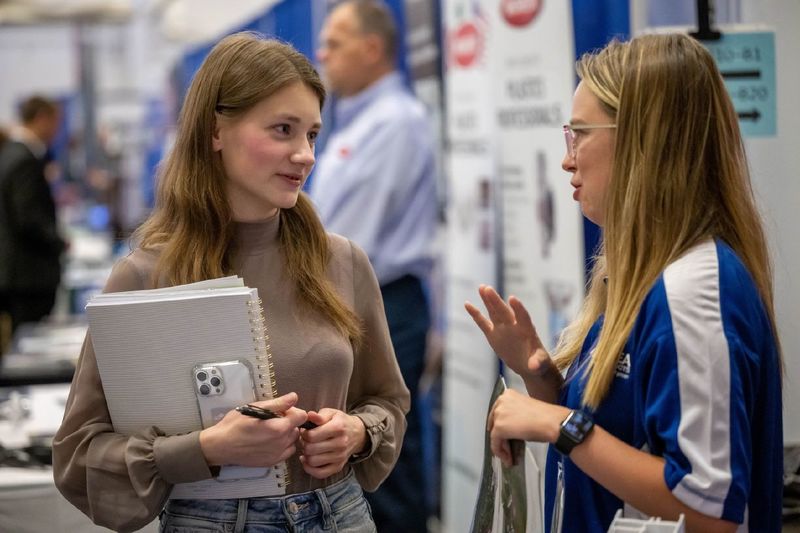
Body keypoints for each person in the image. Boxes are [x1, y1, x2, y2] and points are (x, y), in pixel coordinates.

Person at [52, 32, 409, 533]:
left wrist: (357, 432)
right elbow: (79, 455)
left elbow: (388, 401)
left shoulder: (342, 261)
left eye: (311, 134)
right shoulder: (145, 276)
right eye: (283, 130)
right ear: (216, 130)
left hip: (341, 514)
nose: (305, 154)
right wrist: (204, 450)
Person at [465, 33, 782, 532]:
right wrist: (545, 381)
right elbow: (616, 450)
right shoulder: (645, 278)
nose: (568, 159)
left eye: (580, 134)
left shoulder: (694, 287)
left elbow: (707, 509)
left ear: (642, 139)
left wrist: (558, 424)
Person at [312, 1, 437, 531]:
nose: (322, 55)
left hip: (378, 302)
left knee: (385, 458)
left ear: (372, 49)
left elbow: (347, 239)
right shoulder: (358, 123)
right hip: (353, 299)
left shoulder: (396, 123)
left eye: (334, 44)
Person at [0, 95, 66, 334]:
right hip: (28, 276)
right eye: (55, 122)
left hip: (20, 273)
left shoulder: (11, 154)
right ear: (42, 118)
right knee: (28, 337)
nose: (56, 130)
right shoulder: (23, 159)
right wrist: (60, 242)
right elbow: (27, 217)